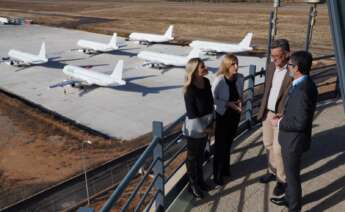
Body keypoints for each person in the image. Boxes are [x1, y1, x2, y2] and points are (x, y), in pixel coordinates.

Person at [270, 51, 318, 212]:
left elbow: (301, 122)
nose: (287, 67)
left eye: (290, 65)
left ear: (296, 68)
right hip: (291, 140)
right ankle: (289, 198)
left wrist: (279, 122)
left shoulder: (303, 90)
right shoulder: (302, 82)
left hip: (293, 142)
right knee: (291, 177)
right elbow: (297, 111)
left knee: (292, 178)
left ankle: (294, 207)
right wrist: (284, 114)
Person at [257, 39, 293, 196]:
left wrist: (284, 114)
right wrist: (263, 110)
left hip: (281, 115)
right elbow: (267, 90)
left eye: (277, 56)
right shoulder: (271, 66)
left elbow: (293, 95)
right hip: (268, 112)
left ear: (287, 55)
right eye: (272, 56)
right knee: (268, 144)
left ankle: (282, 180)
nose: (273, 60)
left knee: (278, 149)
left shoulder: (293, 70)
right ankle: (272, 171)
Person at [182, 58, 214, 199]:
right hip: (195, 128)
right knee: (192, 158)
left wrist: (212, 124)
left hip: (207, 123)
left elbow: (210, 103)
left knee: (200, 155)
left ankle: (200, 181)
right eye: (202, 66)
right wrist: (207, 130)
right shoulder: (189, 89)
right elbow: (192, 114)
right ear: (194, 71)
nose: (205, 68)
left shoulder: (206, 82)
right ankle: (192, 185)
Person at [212, 54, 244, 185]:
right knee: (220, 145)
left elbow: (240, 94)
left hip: (234, 115)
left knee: (229, 143)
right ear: (226, 66)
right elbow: (212, 99)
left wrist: (240, 101)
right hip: (222, 115)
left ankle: (225, 168)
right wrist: (228, 104)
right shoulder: (219, 80)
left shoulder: (240, 78)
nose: (236, 67)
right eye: (232, 64)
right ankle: (217, 174)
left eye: (237, 63)